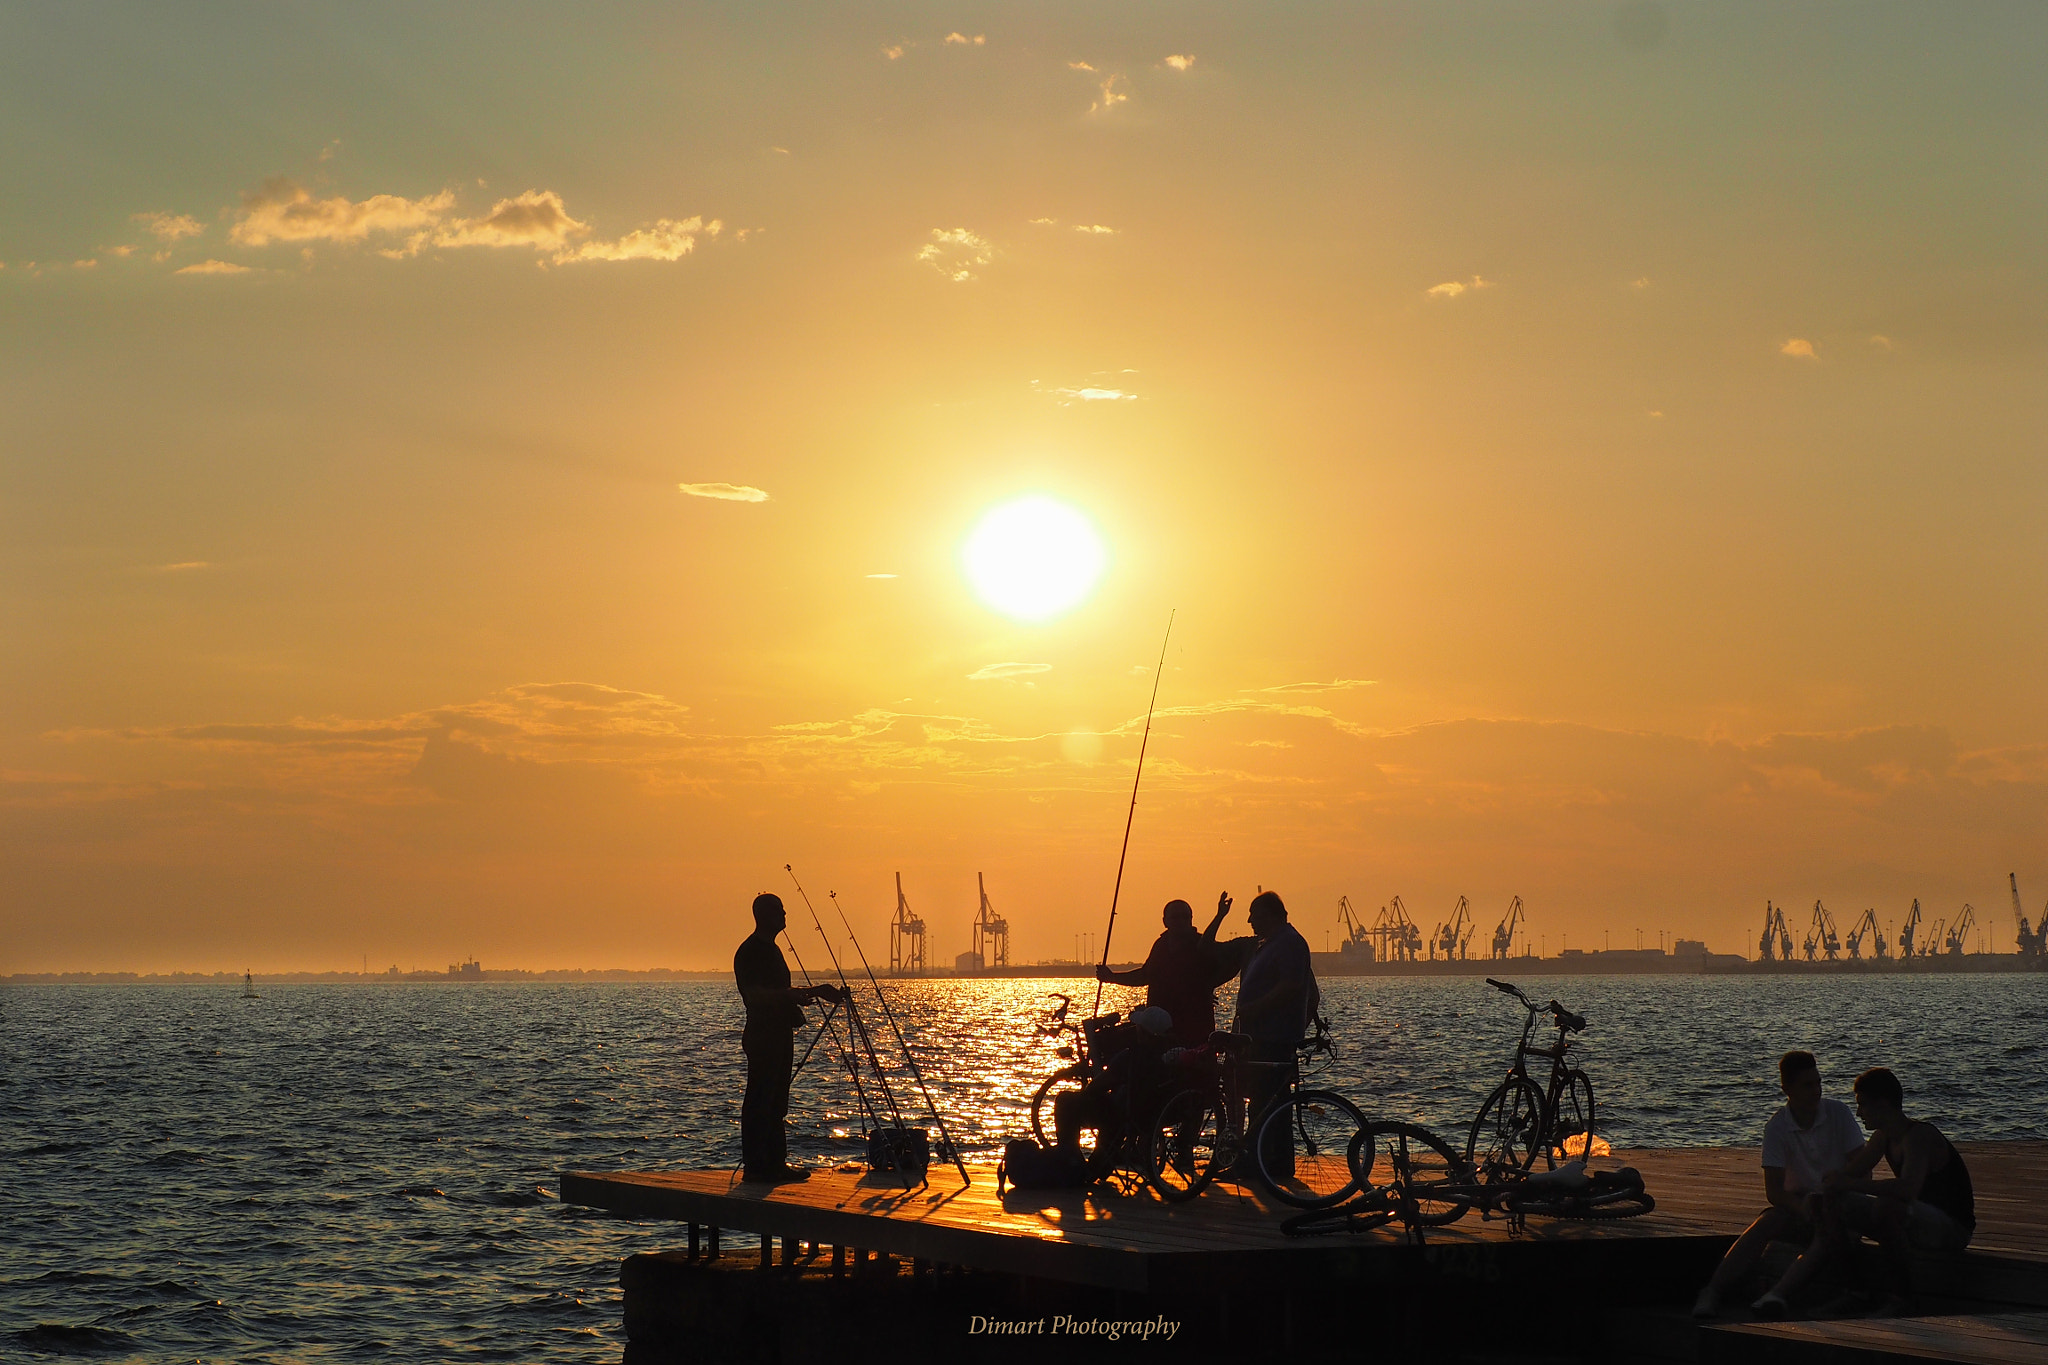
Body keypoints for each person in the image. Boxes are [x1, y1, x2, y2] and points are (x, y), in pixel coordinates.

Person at [1757, 1066, 1975, 1317]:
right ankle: (1855, 1291)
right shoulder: (1883, 1137)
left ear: (1882, 1104)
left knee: (1886, 1206)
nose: (1858, 1113)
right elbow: (1849, 1173)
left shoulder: (1918, 1136)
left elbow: (1908, 1189)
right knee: (1828, 1201)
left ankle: (1902, 1297)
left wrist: (1849, 1184)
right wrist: (1827, 1187)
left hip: (1950, 1228)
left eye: (1863, 1105)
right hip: (1915, 1218)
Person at [1691, 1051, 1863, 1317]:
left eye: (1818, 1083)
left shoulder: (1838, 1113)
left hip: (1838, 1202)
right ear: (1787, 1089)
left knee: (1827, 1230)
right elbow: (1774, 1191)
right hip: (1799, 1204)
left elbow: (1862, 1170)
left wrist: (1835, 1196)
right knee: (1764, 1223)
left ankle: (1777, 1295)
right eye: (1807, 1085)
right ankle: (1712, 1290)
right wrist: (1802, 1207)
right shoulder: (1777, 1127)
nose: (1816, 1090)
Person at [733, 892, 843, 1184]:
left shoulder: (773, 950)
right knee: (761, 1098)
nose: (785, 915)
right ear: (766, 915)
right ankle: (758, 1167)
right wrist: (797, 994)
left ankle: (775, 1164)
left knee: (777, 1099)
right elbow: (755, 995)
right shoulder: (750, 951)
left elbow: (779, 993)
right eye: (780, 911)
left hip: (779, 1033)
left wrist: (815, 992)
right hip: (762, 1035)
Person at [1223, 891, 1319, 1179]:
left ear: (1271, 914)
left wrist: (1254, 1009)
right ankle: (1271, 1165)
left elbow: (1291, 986)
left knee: (1268, 1102)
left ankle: (1262, 1165)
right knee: (1267, 1102)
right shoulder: (1269, 944)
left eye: (1255, 913)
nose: (1249, 919)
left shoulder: (1288, 943)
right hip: (1261, 1035)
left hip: (1272, 1036)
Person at [1095, 895, 1233, 1046]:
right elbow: (1145, 975)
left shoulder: (1202, 944)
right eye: (1175, 917)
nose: (1180, 921)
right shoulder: (1160, 944)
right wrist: (1112, 977)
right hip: (1160, 1026)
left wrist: (1207, 986)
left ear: (1191, 919)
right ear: (1165, 921)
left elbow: (1231, 964)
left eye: (1185, 917)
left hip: (1194, 1025)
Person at [1052, 1005, 1175, 1161]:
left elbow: (1097, 1086)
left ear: (1143, 1033)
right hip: (1151, 1116)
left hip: (1123, 1115)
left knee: (1065, 1101)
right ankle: (1092, 1161)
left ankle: (1069, 1158)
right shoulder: (1170, 1058)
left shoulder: (1130, 1058)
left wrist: (1090, 1093)